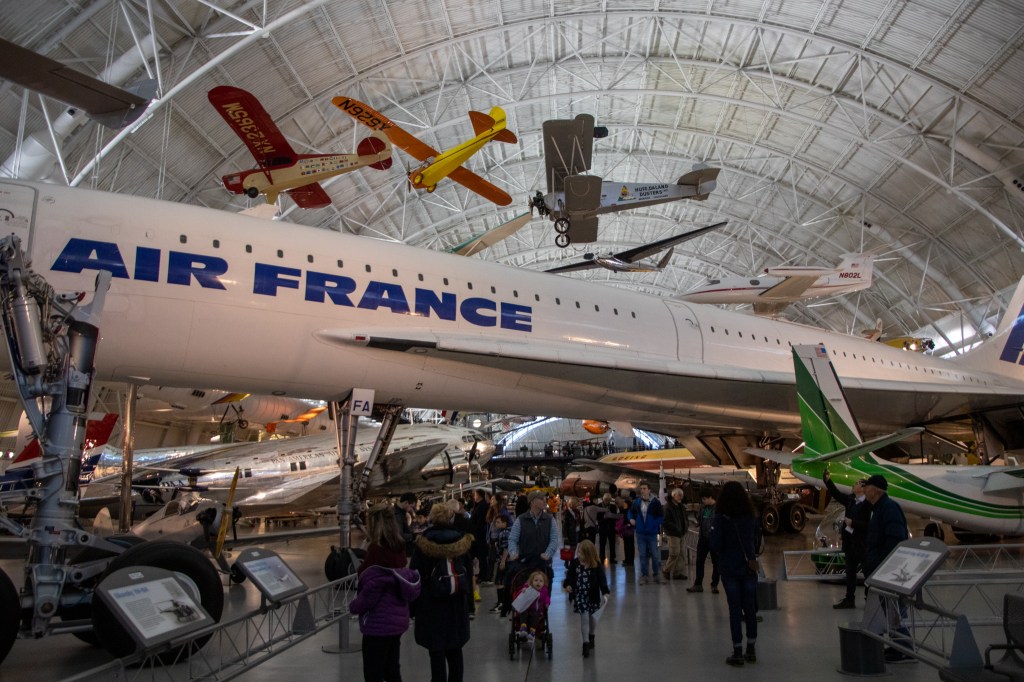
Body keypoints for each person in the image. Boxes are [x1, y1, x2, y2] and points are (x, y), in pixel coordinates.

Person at [349, 503, 422, 682]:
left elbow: (373, 588)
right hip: (397, 618)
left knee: (373, 671)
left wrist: (355, 606)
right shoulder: (398, 547)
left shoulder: (376, 551)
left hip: (378, 622)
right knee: (392, 668)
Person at [410, 503, 474, 682]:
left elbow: (415, 575)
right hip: (456, 602)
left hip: (431, 603)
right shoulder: (462, 541)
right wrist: (470, 605)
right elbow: (468, 576)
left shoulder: (423, 543)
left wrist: (413, 608)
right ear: (451, 517)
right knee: (455, 651)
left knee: (436, 652)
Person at [862, 474, 913, 664]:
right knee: (889, 610)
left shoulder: (889, 509)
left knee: (894, 609)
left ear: (875, 490)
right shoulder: (880, 509)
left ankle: (905, 648)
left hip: (888, 571)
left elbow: (895, 540)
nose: (864, 490)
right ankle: (898, 645)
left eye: (867, 487)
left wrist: (883, 564)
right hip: (881, 570)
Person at [709, 481, 758, 667]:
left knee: (735, 610)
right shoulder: (751, 516)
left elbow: (715, 544)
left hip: (729, 568)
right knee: (750, 609)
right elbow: (756, 539)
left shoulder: (721, 518)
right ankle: (751, 649)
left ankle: (737, 650)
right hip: (748, 567)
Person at [823, 470, 870, 609]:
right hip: (850, 544)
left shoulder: (868, 505)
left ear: (863, 488)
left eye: (856, 484)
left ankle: (869, 599)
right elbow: (837, 494)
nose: (853, 485)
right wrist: (828, 481)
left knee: (867, 573)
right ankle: (850, 598)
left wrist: (853, 523)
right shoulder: (850, 501)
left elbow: (868, 524)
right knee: (850, 573)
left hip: (862, 544)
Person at [563, 539, 610, 658]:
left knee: (593, 619)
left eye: (581, 553)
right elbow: (570, 577)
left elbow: (602, 580)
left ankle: (591, 634)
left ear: (589, 554)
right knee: (584, 618)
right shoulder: (575, 564)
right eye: (578, 552)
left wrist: (605, 592)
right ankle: (585, 643)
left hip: (593, 596)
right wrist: (568, 585)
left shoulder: (596, 565)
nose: (579, 555)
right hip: (580, 596)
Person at [629, 482, 664, 584]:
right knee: (642, 555)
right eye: (641, 488)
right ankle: (644, 575)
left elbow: (661, 517)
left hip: (653, 534)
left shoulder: (655, 502)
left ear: (649, 490)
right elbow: (630, 512)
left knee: (655, 554)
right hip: (641, 533)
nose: (642, 490)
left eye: (644, 488)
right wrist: (631, 519)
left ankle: (656, 574)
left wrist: (653, 524)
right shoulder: (637, 502)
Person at [687, 486, 720, 594]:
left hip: (714, 539)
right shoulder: (703, 508)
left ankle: (714, 584)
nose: (703, 501)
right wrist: (696, 523)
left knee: (716, 562)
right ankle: (698, 584)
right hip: (703, 538)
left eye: (704, 499)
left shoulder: (718, 509)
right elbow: (700, 520)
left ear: (710, 497)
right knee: (699, 561)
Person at [511, 570, 551, 640]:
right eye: (536, 580)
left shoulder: (543, 591)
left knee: (536, 616)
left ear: (544, 583)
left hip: (537, 610)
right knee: (523, 612)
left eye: (541, 581)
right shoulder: (527, 588)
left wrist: (547, 603)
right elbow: (518, 597)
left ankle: (532, 632)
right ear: (531, 581)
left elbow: (546, 597)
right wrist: (522, 591)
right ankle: (523, 628)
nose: (538, 582)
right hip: (526, 608)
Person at [661, 487, 688, 581]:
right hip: (673, 534)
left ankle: (678, 572)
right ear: (673, 495)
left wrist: (685, 527)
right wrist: (676, 529)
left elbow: (684, 518)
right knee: (674, 553)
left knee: (681, 553)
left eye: (682, 495)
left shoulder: (680, 506)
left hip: (681, 533)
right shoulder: (668, 507)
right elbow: (665, 521)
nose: (681, 497)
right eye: (679, 495)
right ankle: (666, 570)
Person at [487, 515, 511, 613]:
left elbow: (506, 548)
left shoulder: (505, 533)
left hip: (504, 560)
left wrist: (503, 561)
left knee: (500, 581)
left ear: (504, 523)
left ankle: (501, 603)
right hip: (504, 560)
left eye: (498, 522)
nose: (496, 524)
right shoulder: (504, 532)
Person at [597, 493, 620, 566]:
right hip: (602, 527)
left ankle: (613, 558)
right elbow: (597, 517)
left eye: (609, 500)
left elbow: (616, 517)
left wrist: (611, 516)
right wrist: (603, 518)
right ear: (603, 499)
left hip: (611, 528)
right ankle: (602, 558)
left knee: (612, 544)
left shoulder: (613, 507)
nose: (607, 501)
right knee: (602, 544)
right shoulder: (599, 506)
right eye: (606, 500)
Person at [561, 496, 583, 568]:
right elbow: (564, 525)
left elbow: (580, 521)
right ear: (572, 504)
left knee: (574, 548)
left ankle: (571, 561)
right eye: (576, 504)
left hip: (577, 532)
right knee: (570, 548)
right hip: (570, 533)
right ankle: (568, 562)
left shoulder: (577, 511)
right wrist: (565, 536)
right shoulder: (567, 512)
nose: (577, 505)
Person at [615, 497, 635, 568]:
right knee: (628, 546)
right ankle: (628, 560)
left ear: (627, 504)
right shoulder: (627, 510)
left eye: (625, 503)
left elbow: (627, 520)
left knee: (628, 546)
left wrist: (626, 525)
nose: (624, 504)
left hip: (627, 530)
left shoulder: (628, 511)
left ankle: (629, 561)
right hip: (628, 530)